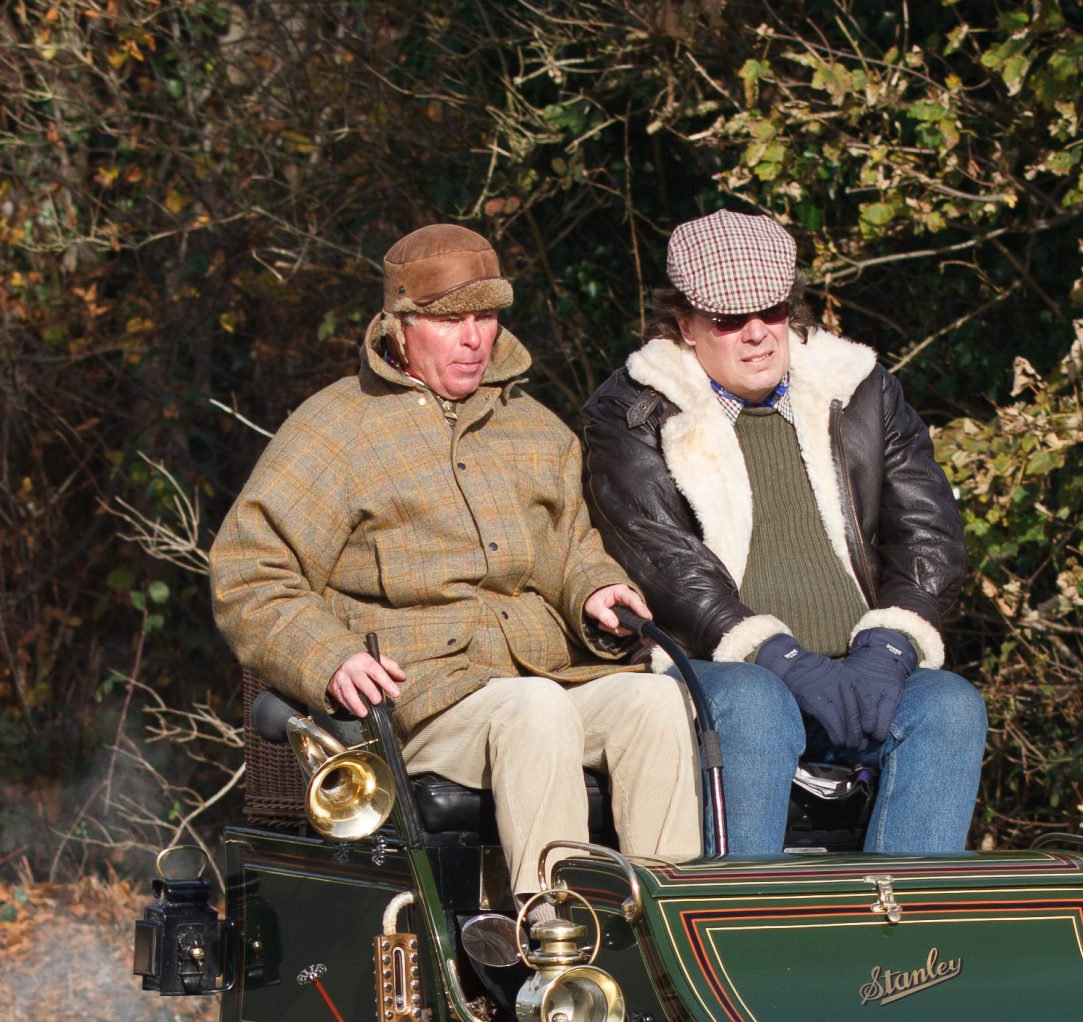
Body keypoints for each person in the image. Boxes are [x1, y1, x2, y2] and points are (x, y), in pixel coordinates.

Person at [210, 223, 700, 894]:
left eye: (488, 316)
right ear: (401, 324)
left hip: (544, 677)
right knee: (535, 710)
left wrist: (594, 589)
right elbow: (248, 571)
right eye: (451, 320)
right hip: (422, 703)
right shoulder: (335, 429)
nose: (475, 337)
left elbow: (572, 548)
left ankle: (662, 937)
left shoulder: (535, 427)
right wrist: (328, 656)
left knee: (655, 702)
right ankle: (553, 949)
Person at [580, 210, 985, 856]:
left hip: (857, 665)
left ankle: (902, 942)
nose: (757, 334)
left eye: (771, 312)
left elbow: (929, 534)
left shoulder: (861, 390)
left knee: (949, 706)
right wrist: (779, 657)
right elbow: (665, 563)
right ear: (684, 324)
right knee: (758, 706)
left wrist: (890, 646)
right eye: (729, 320)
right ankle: (740, 934)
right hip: (718, 666)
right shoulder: (634, 410)